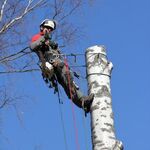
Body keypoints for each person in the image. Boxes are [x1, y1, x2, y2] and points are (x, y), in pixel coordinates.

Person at [30, 19, 94, 113]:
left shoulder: (50, 42)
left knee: (68, 83)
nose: (48, 30)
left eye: (50, 29)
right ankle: (82, 100)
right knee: (68, 80)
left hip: (57, 65)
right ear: (42, 28)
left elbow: (56, 53)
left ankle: (82, 103)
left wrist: (54, 46)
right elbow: (32, 46)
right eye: (47, 28)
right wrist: (44, 39)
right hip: (50, 65)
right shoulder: (38, 37)